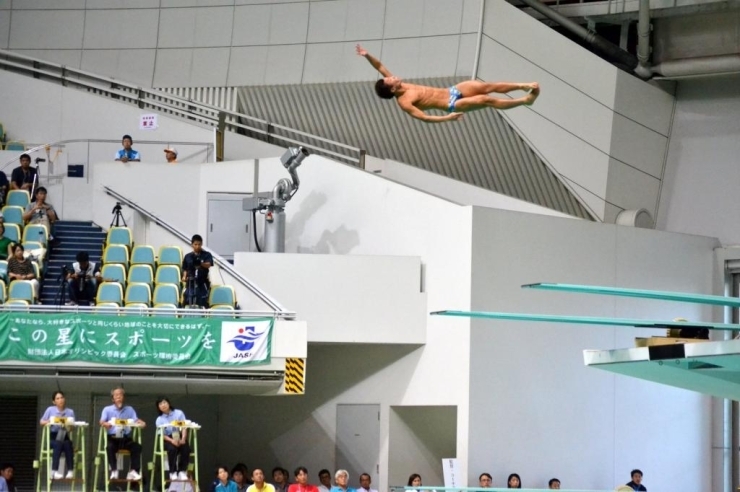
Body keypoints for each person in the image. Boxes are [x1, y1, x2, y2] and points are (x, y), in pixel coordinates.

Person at [356, 44, 539, 123]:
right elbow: (424, 118)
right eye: (390, 80)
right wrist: (447, 118)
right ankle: (525, 101)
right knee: (485, 99)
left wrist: (366, 55)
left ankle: (523, 85)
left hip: (451, 90)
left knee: (485, 86)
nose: (393, 76)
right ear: (392, 88)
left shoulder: (399, 85)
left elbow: (379, 65)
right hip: (451, 104)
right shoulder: (404, 102)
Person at [99, 387, 145, 481]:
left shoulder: (129, 409)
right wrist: (105, 423)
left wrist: (142, 423)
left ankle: (133, 471)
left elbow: (136, 420)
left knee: (137, 447)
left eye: (120, 394)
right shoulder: (107, 409)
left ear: (124, 397)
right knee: (109, 447)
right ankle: (114, 470)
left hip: (126, 438)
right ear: (112, 399)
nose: (118, 396)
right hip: (113, 437)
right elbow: (101, 421)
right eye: (116, 395)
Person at [40, 391, 76, 479]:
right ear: (54, 401)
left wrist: (68, 426)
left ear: (64, 399)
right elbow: (41, 422)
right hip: (53, 436)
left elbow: (72, 428)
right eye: (57, 398)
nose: (60, 400)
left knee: (68, 444)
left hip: (64, 434)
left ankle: (70, 471)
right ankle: (54, 471)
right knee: (58, 444)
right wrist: (49, 421)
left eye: (62, 397)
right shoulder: (50, 410)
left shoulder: (70, 412)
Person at [155, 396, 191, 482]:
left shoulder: (179, 413)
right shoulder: (159, 419)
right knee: (172, 449)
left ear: (169, 403)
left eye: (164, 402)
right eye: (160, 404)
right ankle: (173, 472)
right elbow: (162, 435)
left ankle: (182, 471)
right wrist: (172, 441)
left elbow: (184, 427)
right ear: (158, 407)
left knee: (186, 448)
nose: (163, 405)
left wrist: (183, 438)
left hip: (179, 435)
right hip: (168, 438)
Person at [182, 234, 213, 308]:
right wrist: (184, 276)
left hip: (202, 283)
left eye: (199, 244)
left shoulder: (206, 254)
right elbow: (185, 268)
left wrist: (201, 263)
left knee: (202, 302)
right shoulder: (188, 256)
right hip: (190, 283)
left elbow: (209, 264)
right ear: (192, 244)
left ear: (201, 244)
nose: (197, 246)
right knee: (188, 300)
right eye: (195, 244)